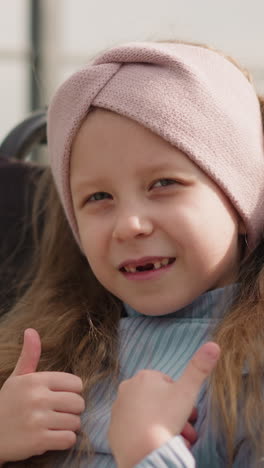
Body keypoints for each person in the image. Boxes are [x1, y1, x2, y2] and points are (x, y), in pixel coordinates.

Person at [0, 39, 263, 467]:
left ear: (240, 198)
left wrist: (151, 451)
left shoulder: (251, 374)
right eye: (98, 196)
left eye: (164, 184)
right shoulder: (50, 355)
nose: (129, 224)